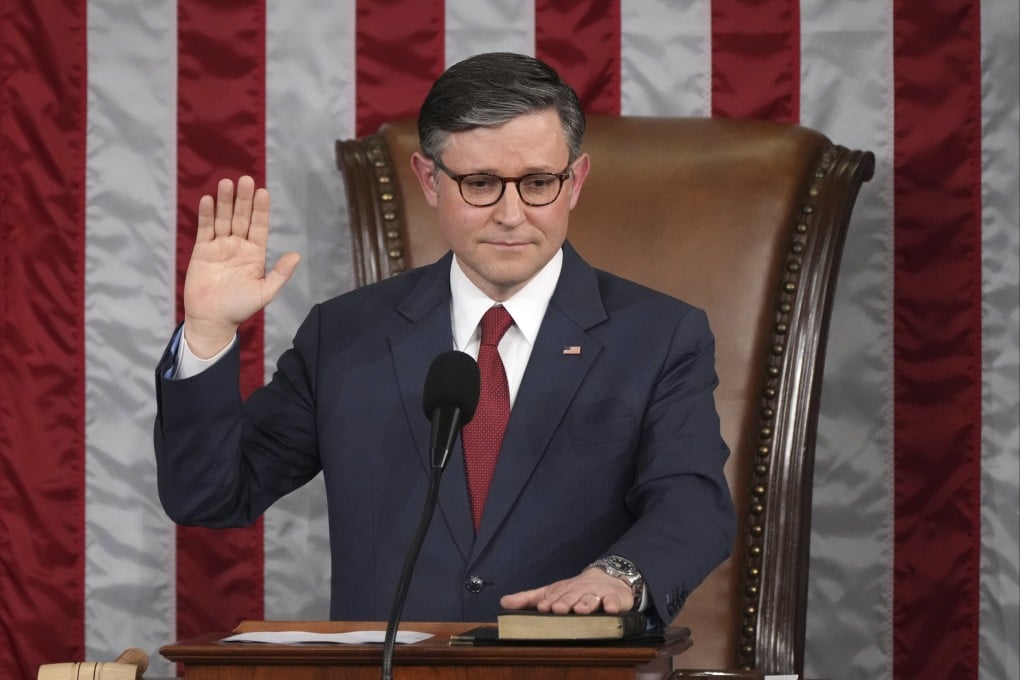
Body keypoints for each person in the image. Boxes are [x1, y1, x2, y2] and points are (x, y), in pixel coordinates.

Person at [154, 52, 735, 628]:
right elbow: (211, 496)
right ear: (429, 181)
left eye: (538, 183)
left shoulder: (658, 336)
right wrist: (208, 332)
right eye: (480, 183)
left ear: (575, 182)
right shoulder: (346, 335)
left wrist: (619, 576)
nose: (512, 214)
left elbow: (692, 502)